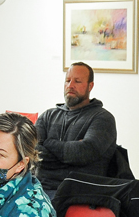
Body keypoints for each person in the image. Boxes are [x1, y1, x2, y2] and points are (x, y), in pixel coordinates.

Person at [34, 62, 118, 198]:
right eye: (68, 80)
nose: (70, 85)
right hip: (40, 187)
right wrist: (68, 155)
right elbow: (32, 151)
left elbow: (83, 152)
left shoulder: (102, 118)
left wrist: (48, 143)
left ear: (90, 86)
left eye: (77, 81)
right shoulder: (48, 116)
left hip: (79, 192)